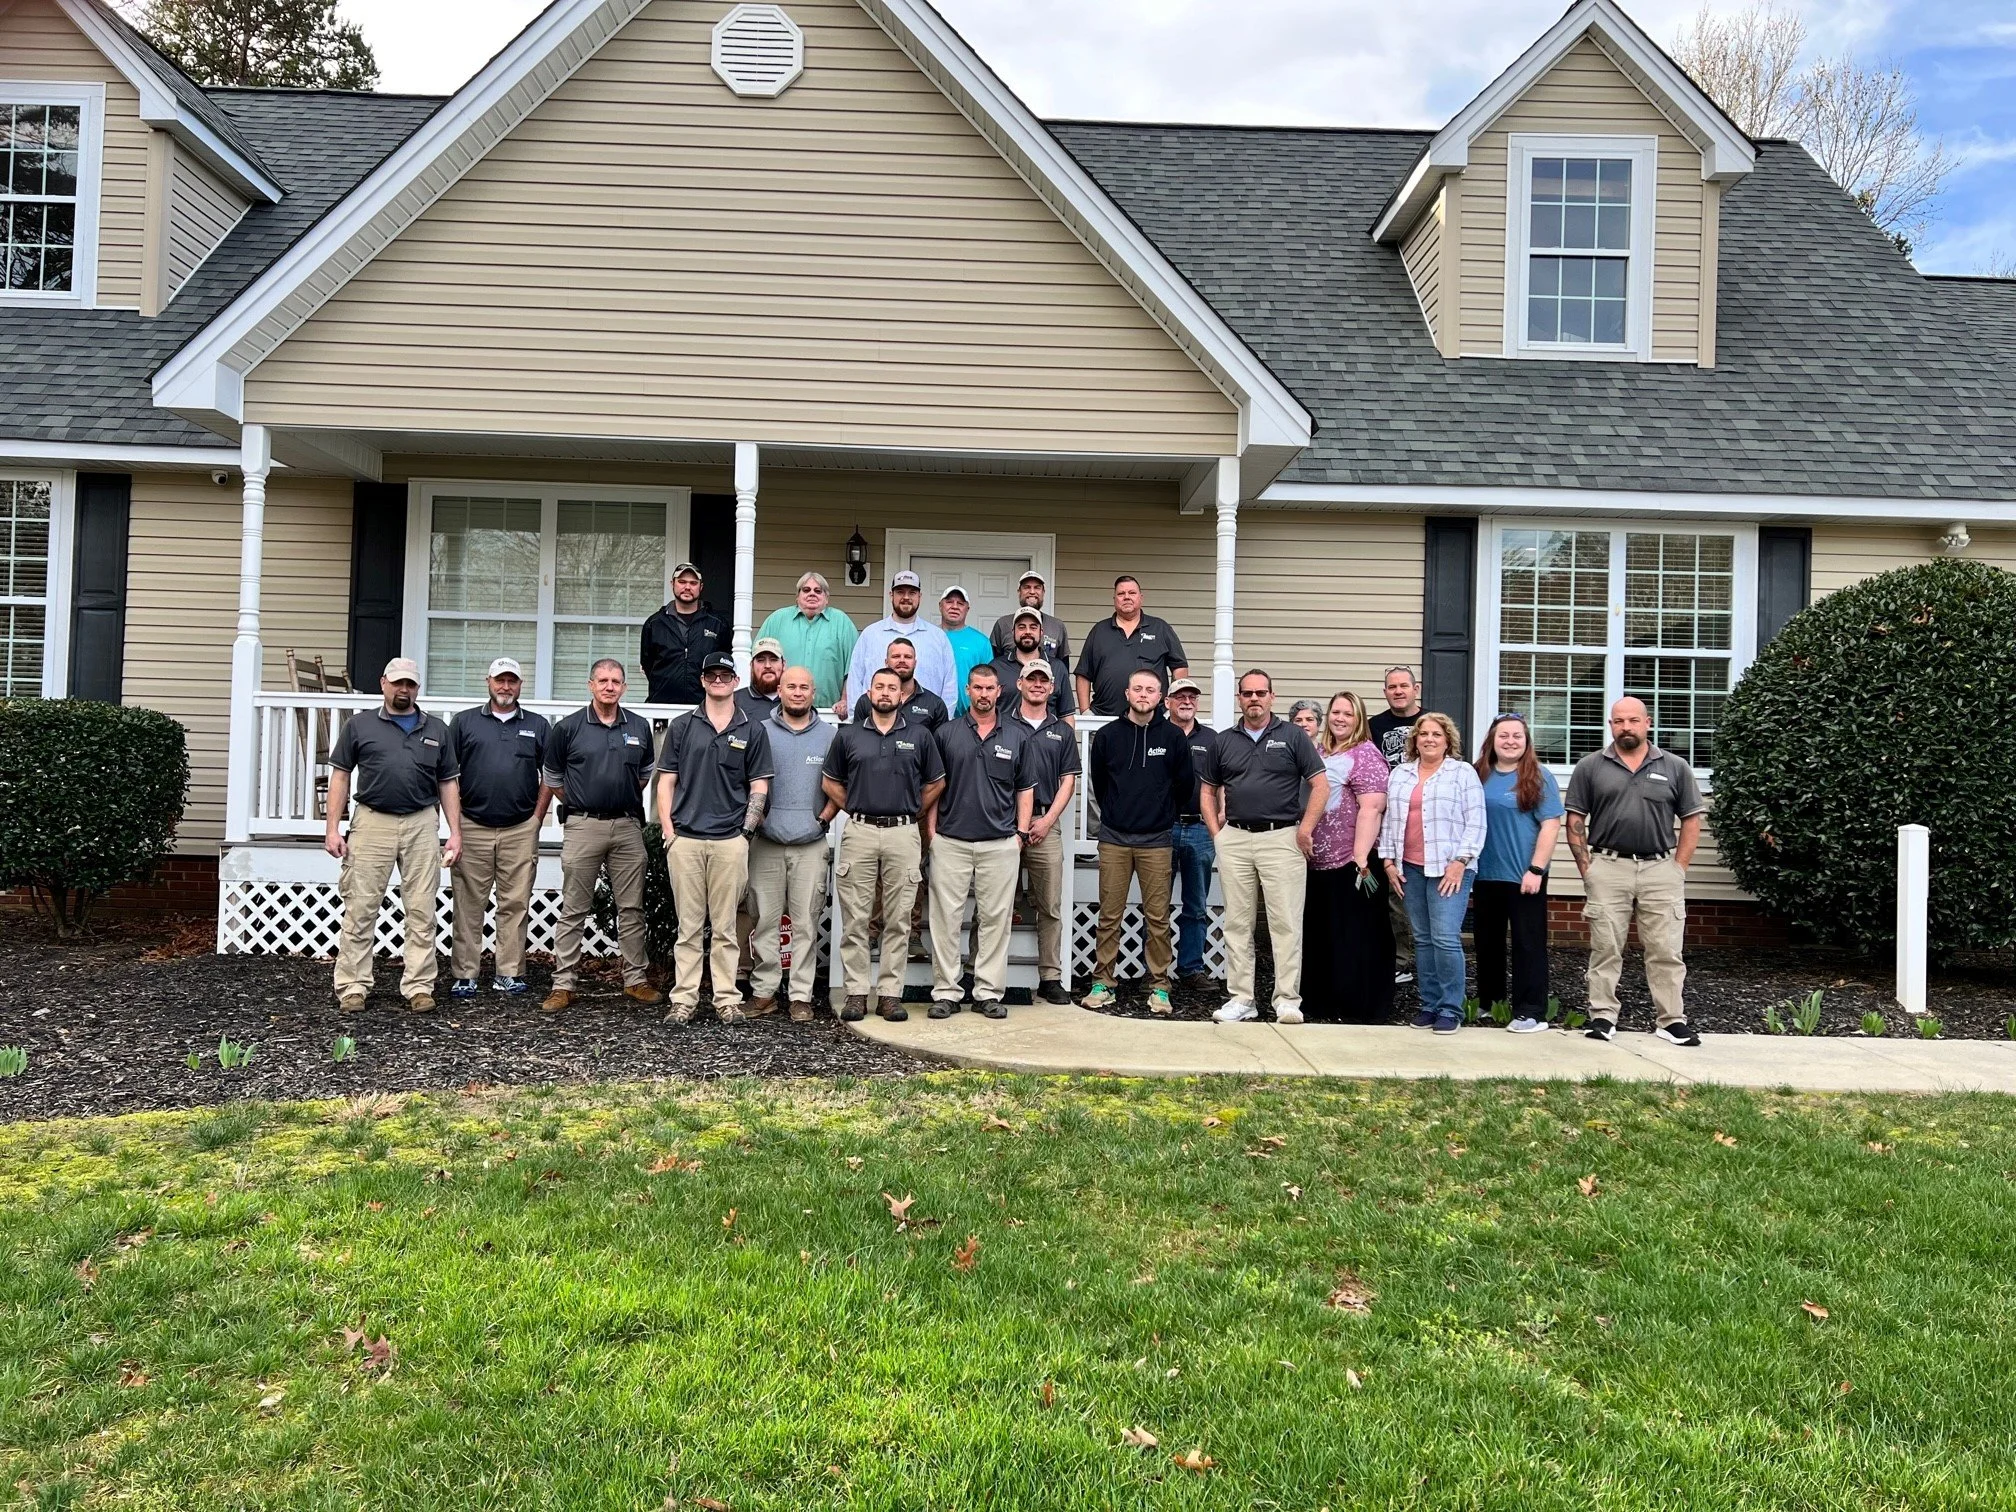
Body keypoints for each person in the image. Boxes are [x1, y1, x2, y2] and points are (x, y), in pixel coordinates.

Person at [1565, 697, 1707, 1046]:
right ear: (1610, 725)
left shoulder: (1674, 766)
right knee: (1606, 947)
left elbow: (1691, 819)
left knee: (1665, 949)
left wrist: (1679, 869)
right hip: (1608, 868)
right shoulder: (1591, 767)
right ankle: (1602, 1016)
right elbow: (1574, 820)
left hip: (1661, 869)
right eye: (1618, 721)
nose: (1625, 727)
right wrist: (1588, 869)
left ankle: (1671, 1020)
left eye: (1632, 720)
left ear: (1648, 723)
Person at [325, 658, 463, 1014]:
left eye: (410, 685)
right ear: (383, 683)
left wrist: (455, 833)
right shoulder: (359, 726)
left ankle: (419, 986)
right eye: (398, 683)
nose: (404, 690)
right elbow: (340, 776)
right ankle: (353, 987)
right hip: (372, 823)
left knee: (422, 910)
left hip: (421, 822)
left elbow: (448, 782)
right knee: (360, 907)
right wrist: (332, 828)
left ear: (417, 688)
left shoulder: (436, 729)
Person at [1199, 669, 1325, 1024]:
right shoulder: (1223, 741)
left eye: (1261, 693)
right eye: (1247, 693)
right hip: (1235, 838)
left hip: (1282, 838)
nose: (1254, 699)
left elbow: (1320, 785)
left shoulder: (1293, 737)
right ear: (1239, 698)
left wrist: (1306, 829)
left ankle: (1287, 999)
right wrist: (1216, 834)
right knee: (1238, 924)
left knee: (1285, 923)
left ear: (1272, 697)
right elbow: (1207, 791)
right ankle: (1242, 999)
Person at [655, 652, 775, 1025]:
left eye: (725, 675)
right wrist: (669, 833)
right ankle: (684, 1000)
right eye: (712, 675)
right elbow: (666, 782)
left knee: (725, 928)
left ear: (735, 681)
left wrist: (744, 834)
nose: (719, 681)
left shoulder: (751, 729)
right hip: (686, 840)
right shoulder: (682, 726)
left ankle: (726, 999)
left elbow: (760, 784)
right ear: (704, 681)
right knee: (688, 927)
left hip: (729, 841)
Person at [821, 668, 946, 1021]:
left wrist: (912, 810)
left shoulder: (920, 736)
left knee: (899, 918)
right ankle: (857, 993)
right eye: (880, 687)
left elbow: (937, 782)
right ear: (869, 692)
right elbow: (830, 781)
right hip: (859, 831)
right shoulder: (849, 736)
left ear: (901, 695)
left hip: (904, 832)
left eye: (892, 687)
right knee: (856, 918)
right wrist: (857, 805)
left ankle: (890, 994)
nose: (886, 692)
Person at [539, 659, 663, 1013]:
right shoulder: (568, 728)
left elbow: (644, 774)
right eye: (603, 681)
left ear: (624, 687)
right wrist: (583, 801)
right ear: (590, 684)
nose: (610, 686)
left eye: (616, 681)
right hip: (583, 825)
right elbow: (552, 777)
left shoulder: (638, 726)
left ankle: (635, 980)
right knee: (574, 908)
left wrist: (616, 796)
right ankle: (563, 984)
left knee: (632, 908)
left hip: (627, 826)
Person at [925, 665, 1035, 1021]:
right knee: (946, 919)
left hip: (1000, 842)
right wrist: (932, 834)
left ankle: (987, 992)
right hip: (951, 840)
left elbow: (1025, 789)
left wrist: (1019, 834)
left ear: (999, 691)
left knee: (995, 920)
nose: (984, 694)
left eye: (990, 688)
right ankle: (946, 992)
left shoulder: (1017, 736)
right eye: (977, 688)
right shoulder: (946, 734)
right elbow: (933, 787)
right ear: (967, 690)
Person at [1083, 669, 1193, 1015]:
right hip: (1115, 838)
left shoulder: (1173, 737)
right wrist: (1117, 812)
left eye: (1151, 690)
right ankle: (1103, 983)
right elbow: (1099, 783)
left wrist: (1160, 814)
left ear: (1161, 697)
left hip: (1157, 840)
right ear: (1127, 694)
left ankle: (1159, 986)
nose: (1144, 694)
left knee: (1158, 917)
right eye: (1138, 689)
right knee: (1109, 916)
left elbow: (1184, 785)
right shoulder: (1107, 736)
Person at [446, 657, 550, 998]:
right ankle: (465, 974)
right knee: (467, 902)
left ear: (520, 685)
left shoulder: (537, 725)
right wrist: (455, 824)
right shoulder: (464, 723)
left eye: (512, 681)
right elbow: (446, 775)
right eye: (499, 680)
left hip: (520, 827)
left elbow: (550, 775)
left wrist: (537, 818)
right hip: (472, 825)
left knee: (515, 903)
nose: (505, 687)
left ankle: (509, 972)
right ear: (488, 681)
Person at [1380, 713, 1485, 1036]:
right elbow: (1389, 821)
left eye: (1436, 734)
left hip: (1449, 868)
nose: (1429, 739)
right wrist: (1388, 862)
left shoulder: (1462, 773)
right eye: (1423, 734)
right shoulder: (1400, 774)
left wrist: (1461, 861)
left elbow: (1476, 821)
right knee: (1422, 940)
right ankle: (1429, 1004)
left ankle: (1451, 1008)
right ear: (1414, 740)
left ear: (1447, 740)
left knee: (1444, 938)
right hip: (1408, 868)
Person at [747, 665, 838, 1022]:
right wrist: (762, 822)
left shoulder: (830, 736)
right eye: (791, 686)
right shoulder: (760, 732)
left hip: (811, 844)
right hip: (766, 843)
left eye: (805, 687)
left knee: (805, 923)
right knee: (765, 921)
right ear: (780, 691)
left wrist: (823, 821)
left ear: (813, 693)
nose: (798, 692)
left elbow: (839, 785)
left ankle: (801, 995)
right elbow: (747, 781)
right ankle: (764, 992)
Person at [1301, 691, 1393, 1023]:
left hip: (1351, 863)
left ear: (1359, 719)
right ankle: (1321, 1002)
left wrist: (1361, 856)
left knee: (1355, 937)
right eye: (1336, 712)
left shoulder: (1366, 755)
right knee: (1321, 935)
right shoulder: (1320, 751)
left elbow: (1372, 808)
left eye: (1348, 714)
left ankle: (1361, 1007)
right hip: (1315, 861)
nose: (1340, 718)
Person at [1473, 713, 1566, 1033]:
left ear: (1526, 742)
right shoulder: (1478, 773)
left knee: (1528, 943)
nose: (1510, 741)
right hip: (1485, 875)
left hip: (1525, 875)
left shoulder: (1538, 776)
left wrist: (1536, 869)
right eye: (1503, 736)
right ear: (1492, 741)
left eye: (1517, 736)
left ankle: (1531, 1010)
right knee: (1487, 942)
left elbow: (1551, 825)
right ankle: (1491, 1002)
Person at [1009, 660, 1079, 1005]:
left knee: (1049, 904)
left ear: (1052, 688)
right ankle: (979, 971)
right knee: (993, 904)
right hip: (1004, 826)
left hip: (1044, 825)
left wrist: (1048, 820)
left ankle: (1050, 976)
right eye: (1031, 679)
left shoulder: (1062, 732)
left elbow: (1069, 780)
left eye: (1043, 681)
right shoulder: (1002, 724)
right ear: (1019, 684)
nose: (1037, 685)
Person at [1368, 666, 1425, 984]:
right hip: (1381, 819)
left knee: (1403, 893)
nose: (1398, 691)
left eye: (1404, 685)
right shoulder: (1375, 726)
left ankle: (1404, 959)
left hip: (1419, 820)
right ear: (1385, 691)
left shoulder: (1431, 722)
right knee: (1382, 892)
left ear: (1416, 688)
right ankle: (1388, 956)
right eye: (1392, 686)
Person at [1164, 677, 1217, 986]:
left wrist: (1220, 815)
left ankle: (1191, 969)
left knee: (1196, 905)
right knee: (1156, 904)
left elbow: (1220, 782)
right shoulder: (1156, 734)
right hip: (1162, 829)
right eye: (1179, 696)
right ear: (1167, 702)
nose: (1186, 701)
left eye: (1192, 697)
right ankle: (1155, 970)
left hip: (1199, 828)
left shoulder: (1211, 739)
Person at [1074, 575, 1189, 717]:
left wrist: (1171, 706)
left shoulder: (1160, 628)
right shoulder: (1099, 631)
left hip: (1153, 719)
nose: (1126, 597)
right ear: (1114, 600)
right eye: (1121, 594)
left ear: (1141, 597)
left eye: (1132, 593)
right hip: (1104, 719)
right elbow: (1083, 674)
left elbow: (1180, 668)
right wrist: (1085, 711)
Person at [848, 569, 957, 707]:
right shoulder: (870, 634)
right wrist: (857, 718)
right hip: (875, 722)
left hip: (926, 723)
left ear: (919, 596)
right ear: (891, 595)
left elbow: (949, 685)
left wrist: (943, 725)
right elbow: (855, 680)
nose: (906, 597)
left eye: (912, 593)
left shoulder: (937, 637)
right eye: (900, 592)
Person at [759, 571, 858, 714]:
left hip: (829, 713)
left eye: (818, 591)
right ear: (797, 596)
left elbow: (853, 668)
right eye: (806, 590)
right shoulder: (777, 620)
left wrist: (845, 700)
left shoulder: (842, 623)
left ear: (826, 598)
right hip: (781, 711)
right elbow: (758, 662)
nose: (812, 593)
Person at [639, 562, 726, 705]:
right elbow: (648, 665)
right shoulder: (654, 624)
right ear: (672, 584)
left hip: (705, 708)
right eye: (682, 582)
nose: (687, 587)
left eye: (693, 583)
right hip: (662, 707)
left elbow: (724, 665)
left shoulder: (717, 624)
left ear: (701, 587)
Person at [992, 608, 1075, 723]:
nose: (1027, 632)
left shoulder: (1057, 668)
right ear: (1013, 632)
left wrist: (1068, 740)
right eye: (1021, 627)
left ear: (1041, 632)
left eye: (1033, 627)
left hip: (1046, 738)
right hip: (1005, 739)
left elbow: (1066, 715)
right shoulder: (996, 668)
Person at [850, 637, 948, 730]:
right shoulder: (866, 701)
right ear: (886, 662)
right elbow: (858, 740)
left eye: (908, 657)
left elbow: (938, 745)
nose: (902, 660)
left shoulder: (935, 704)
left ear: (915, 663)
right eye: (896, 656)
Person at [938, 586, 996, 715]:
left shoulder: (981, 642)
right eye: (949, 602)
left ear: (967, 609)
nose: (954, 606)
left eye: (960, 603)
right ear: (940, 605)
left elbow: (989, 681)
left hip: (968, 717)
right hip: (932, 714)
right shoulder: (929, 637)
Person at [990, 570, 1069, 662]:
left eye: (1037, 587)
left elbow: (1063, 666)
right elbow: (994, 663)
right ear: (1019, 592)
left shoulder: (1057, 626)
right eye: (1027, 587)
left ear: (1043, 592)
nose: (1032, 592)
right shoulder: (1003, 624)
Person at [735, 637, 785, 720]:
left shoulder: (795, 699)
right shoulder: (735, 701)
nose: (767, 665)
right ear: (751, 665)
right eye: (761, 660)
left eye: (773, 660)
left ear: (783, 664)